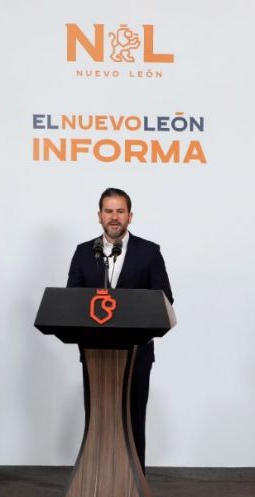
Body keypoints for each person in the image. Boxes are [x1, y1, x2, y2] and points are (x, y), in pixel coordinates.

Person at [66, 187, 172, 472]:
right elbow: (72, 299)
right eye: (109, 211)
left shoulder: (149, 252)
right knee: (98, 418)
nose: (115, 217)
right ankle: (96, 481)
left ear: (130, 216)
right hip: (95, 354)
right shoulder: (83, 252)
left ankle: (134, 482)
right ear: (99, 216)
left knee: (133, 417)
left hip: (137, 354)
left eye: (120, 211)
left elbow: (165, 300)